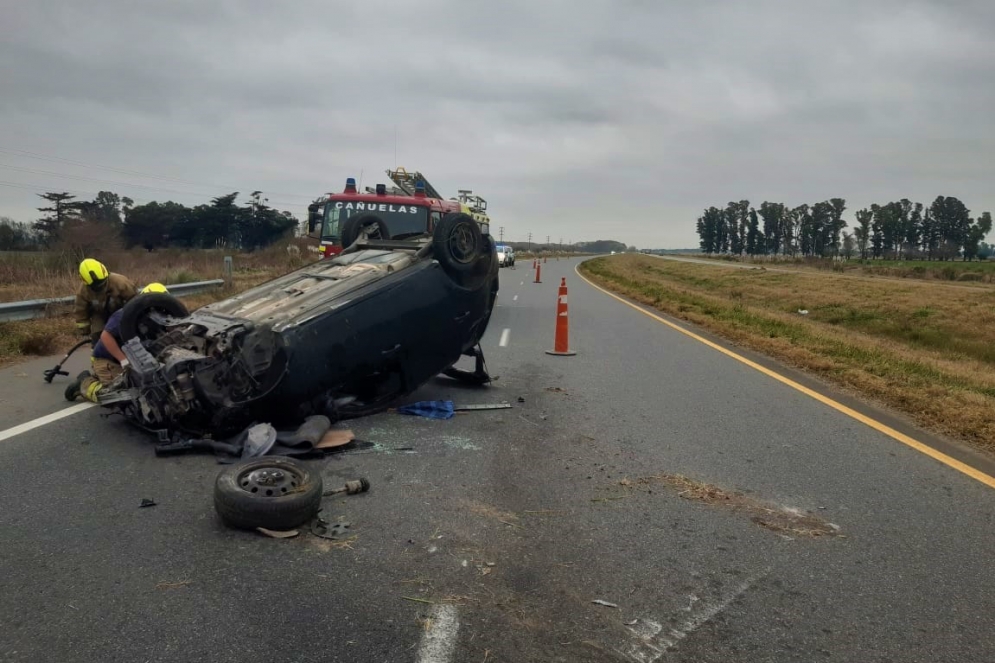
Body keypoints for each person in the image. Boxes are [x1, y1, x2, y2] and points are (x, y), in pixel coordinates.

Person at [65, 283, 169, 403]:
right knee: (118, 396)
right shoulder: (125, 314)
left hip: (128, 360)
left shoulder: (156, 320)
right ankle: (84, 384)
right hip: (108, 360)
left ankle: (101, 376)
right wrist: (123, 360)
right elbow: (106, 336)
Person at [74, 258, 138, 344]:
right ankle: (99, 350)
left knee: (127, 333)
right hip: (100, 314)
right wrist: (84, 331)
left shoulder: (121, 283)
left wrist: (135, 319)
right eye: (95, 286)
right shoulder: (83, 291)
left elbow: (135, 300)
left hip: (121, 312)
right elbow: (81, 311)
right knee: (97, 336)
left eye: (103, 283)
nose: (100, 287)